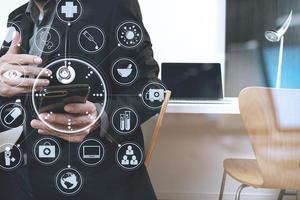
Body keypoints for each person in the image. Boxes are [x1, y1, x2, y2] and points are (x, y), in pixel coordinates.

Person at [0, 0, 161, 199]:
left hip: (98, 173)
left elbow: (150, 89)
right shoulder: (17, 17)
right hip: (29, 171)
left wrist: (101, 114)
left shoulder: (114, 5)